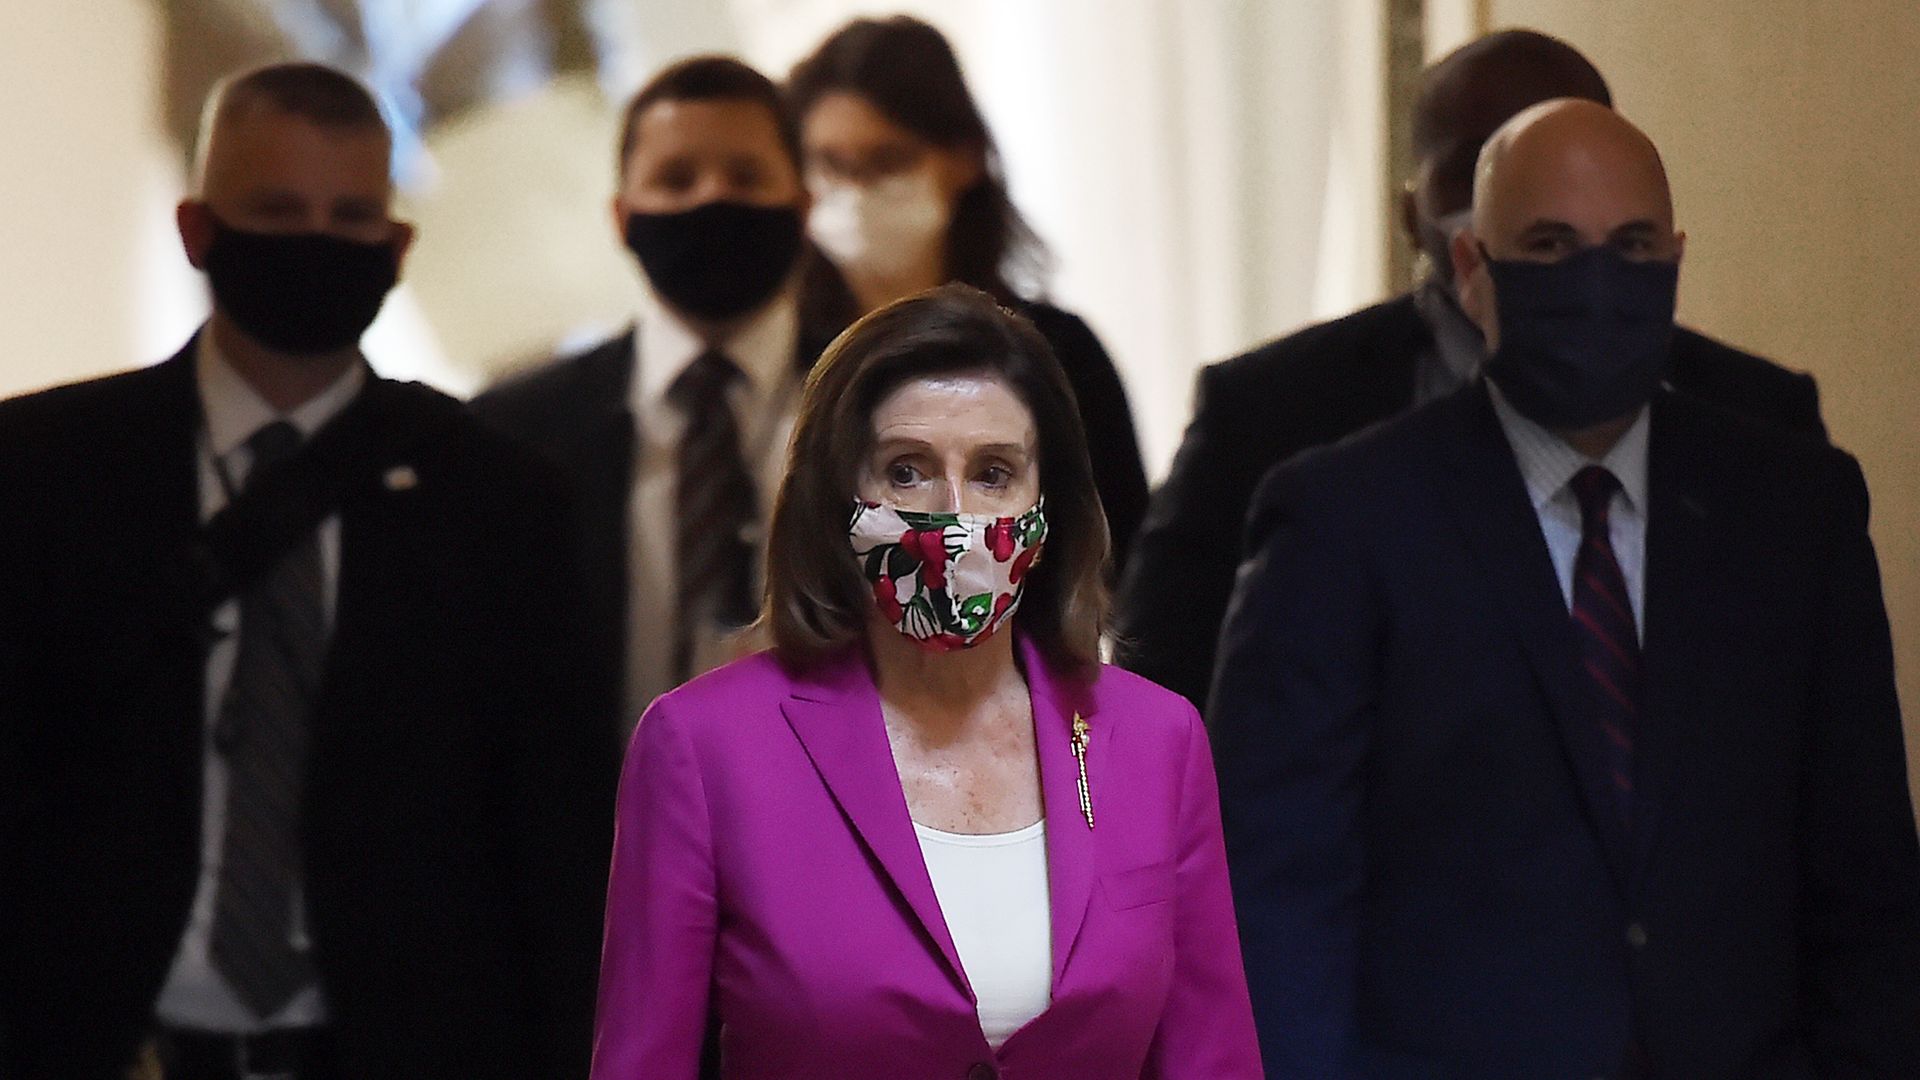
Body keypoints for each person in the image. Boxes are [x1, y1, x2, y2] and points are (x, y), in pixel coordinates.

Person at [1210, 99, 1920, 1077]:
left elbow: (1867, 871)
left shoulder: (1793, 508)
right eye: (1549, 246)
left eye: (1631, 246)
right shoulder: (1344, 517)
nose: (1597, 282)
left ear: (1675, 258)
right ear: (1471, 273)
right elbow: (1278, 889)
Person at [0, 63, 615, 1080]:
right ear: (199, 231)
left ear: (398, 247)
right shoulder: (43, 473)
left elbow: (556, 846)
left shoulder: (499, 502)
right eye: (277, 211)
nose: (316, 245)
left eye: (351, 215)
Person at [590, 285, 1261, 1079]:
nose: (953, 517)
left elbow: (1212, 1058)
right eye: (906, 473)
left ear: (1046, 509)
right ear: (839, 499)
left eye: (993, 473)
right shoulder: (705, 747)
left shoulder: (1156, 739)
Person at [1116, 29, 1827, 712]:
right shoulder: (1270, 414)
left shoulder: (1761, 419)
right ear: (1411, 211)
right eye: (1476, 162)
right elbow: (1159, 683)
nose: (1526, 184)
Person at [472, 56, 833, 728]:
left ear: (802, 207)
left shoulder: (887, 410)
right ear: (622, 216)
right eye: (675, 178)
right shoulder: (512, 433)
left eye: (747, 176)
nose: (710, 198)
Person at [787, 16, 1151, 579]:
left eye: (887, 160)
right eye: (831, 165)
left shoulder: (1059, 355)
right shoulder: (786, 362)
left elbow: (1124, 567)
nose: (856, 193)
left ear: (963, 158)